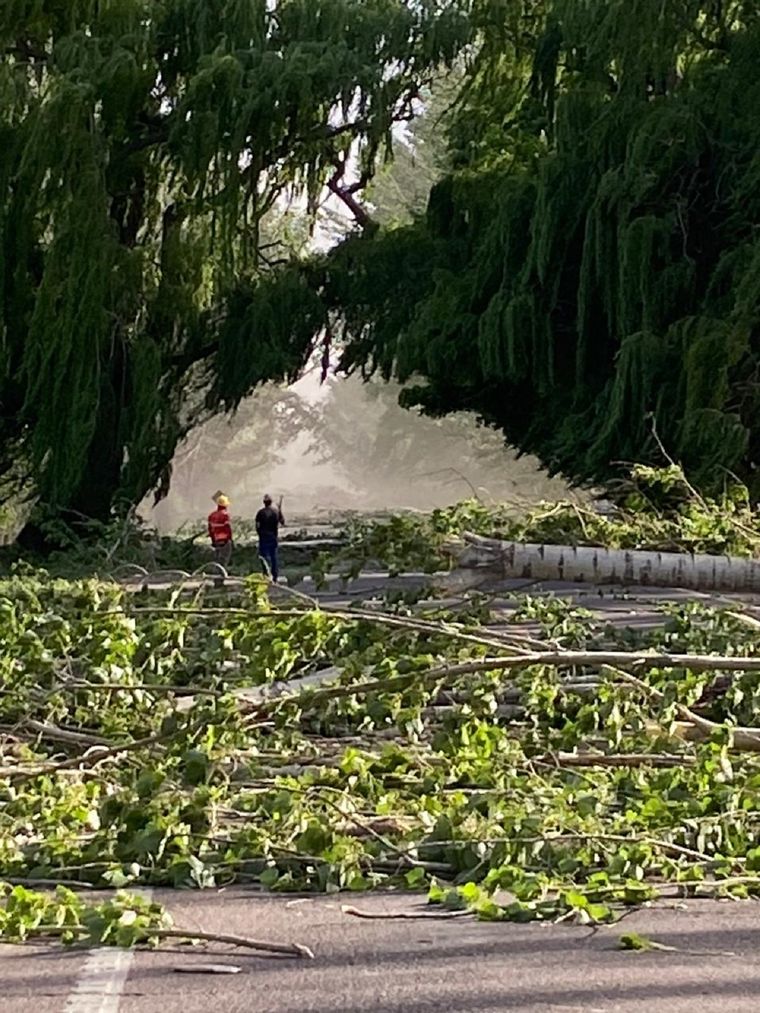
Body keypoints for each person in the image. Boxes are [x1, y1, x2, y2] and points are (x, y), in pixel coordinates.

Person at [255, 494, 285, 581]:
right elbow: (282, 522)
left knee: (263, 557)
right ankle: (275, 576)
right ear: (271, 502)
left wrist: (260, 533)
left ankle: (266, 574)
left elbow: (257, 526)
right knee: (273, 557)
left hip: (263, 537)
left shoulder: (260, 513)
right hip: (273, 537)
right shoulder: (276, 512)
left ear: (264, 502)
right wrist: (280, 510)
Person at [208, 493, 233, 569]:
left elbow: (210, 530)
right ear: (225, 505)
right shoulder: (225, 515)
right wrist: (230, 539)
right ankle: (221, 578)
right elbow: (227, 528)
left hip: (216, 541)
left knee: (217, 561)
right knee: (224, 561)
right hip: (225, 541)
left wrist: (213, 541)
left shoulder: (211, 515)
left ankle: (216, 578)